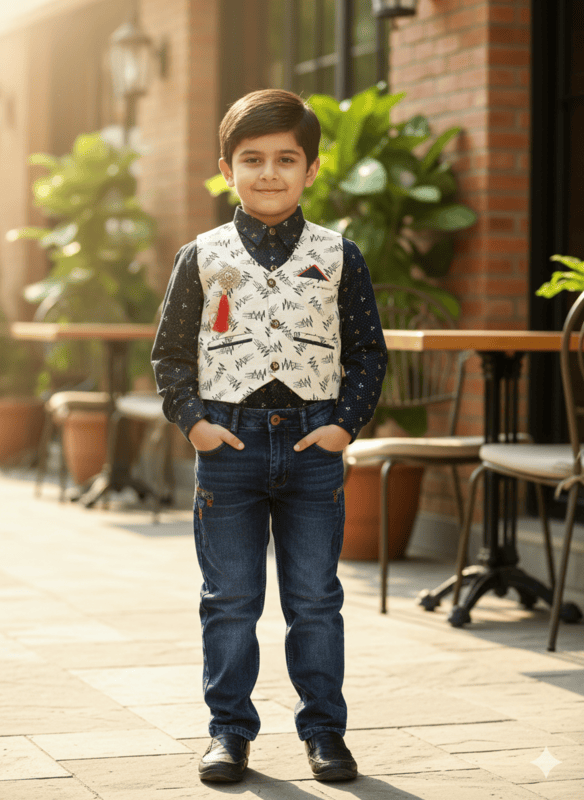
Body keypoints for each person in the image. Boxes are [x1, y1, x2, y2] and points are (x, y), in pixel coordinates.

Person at [152, 88, 387, 784]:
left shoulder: (339, 254)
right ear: (226, 167)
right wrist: (193, 422)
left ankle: (325, 733)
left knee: (315, 598)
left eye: (287, 158)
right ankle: (229, 731)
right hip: (229, 445)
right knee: (230, 600)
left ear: (312, 169)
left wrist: (346, 422)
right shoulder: (202, 254)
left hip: (315, 446)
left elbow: (368, 350)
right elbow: (169, 353)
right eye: (252, 159)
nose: (270, 173)